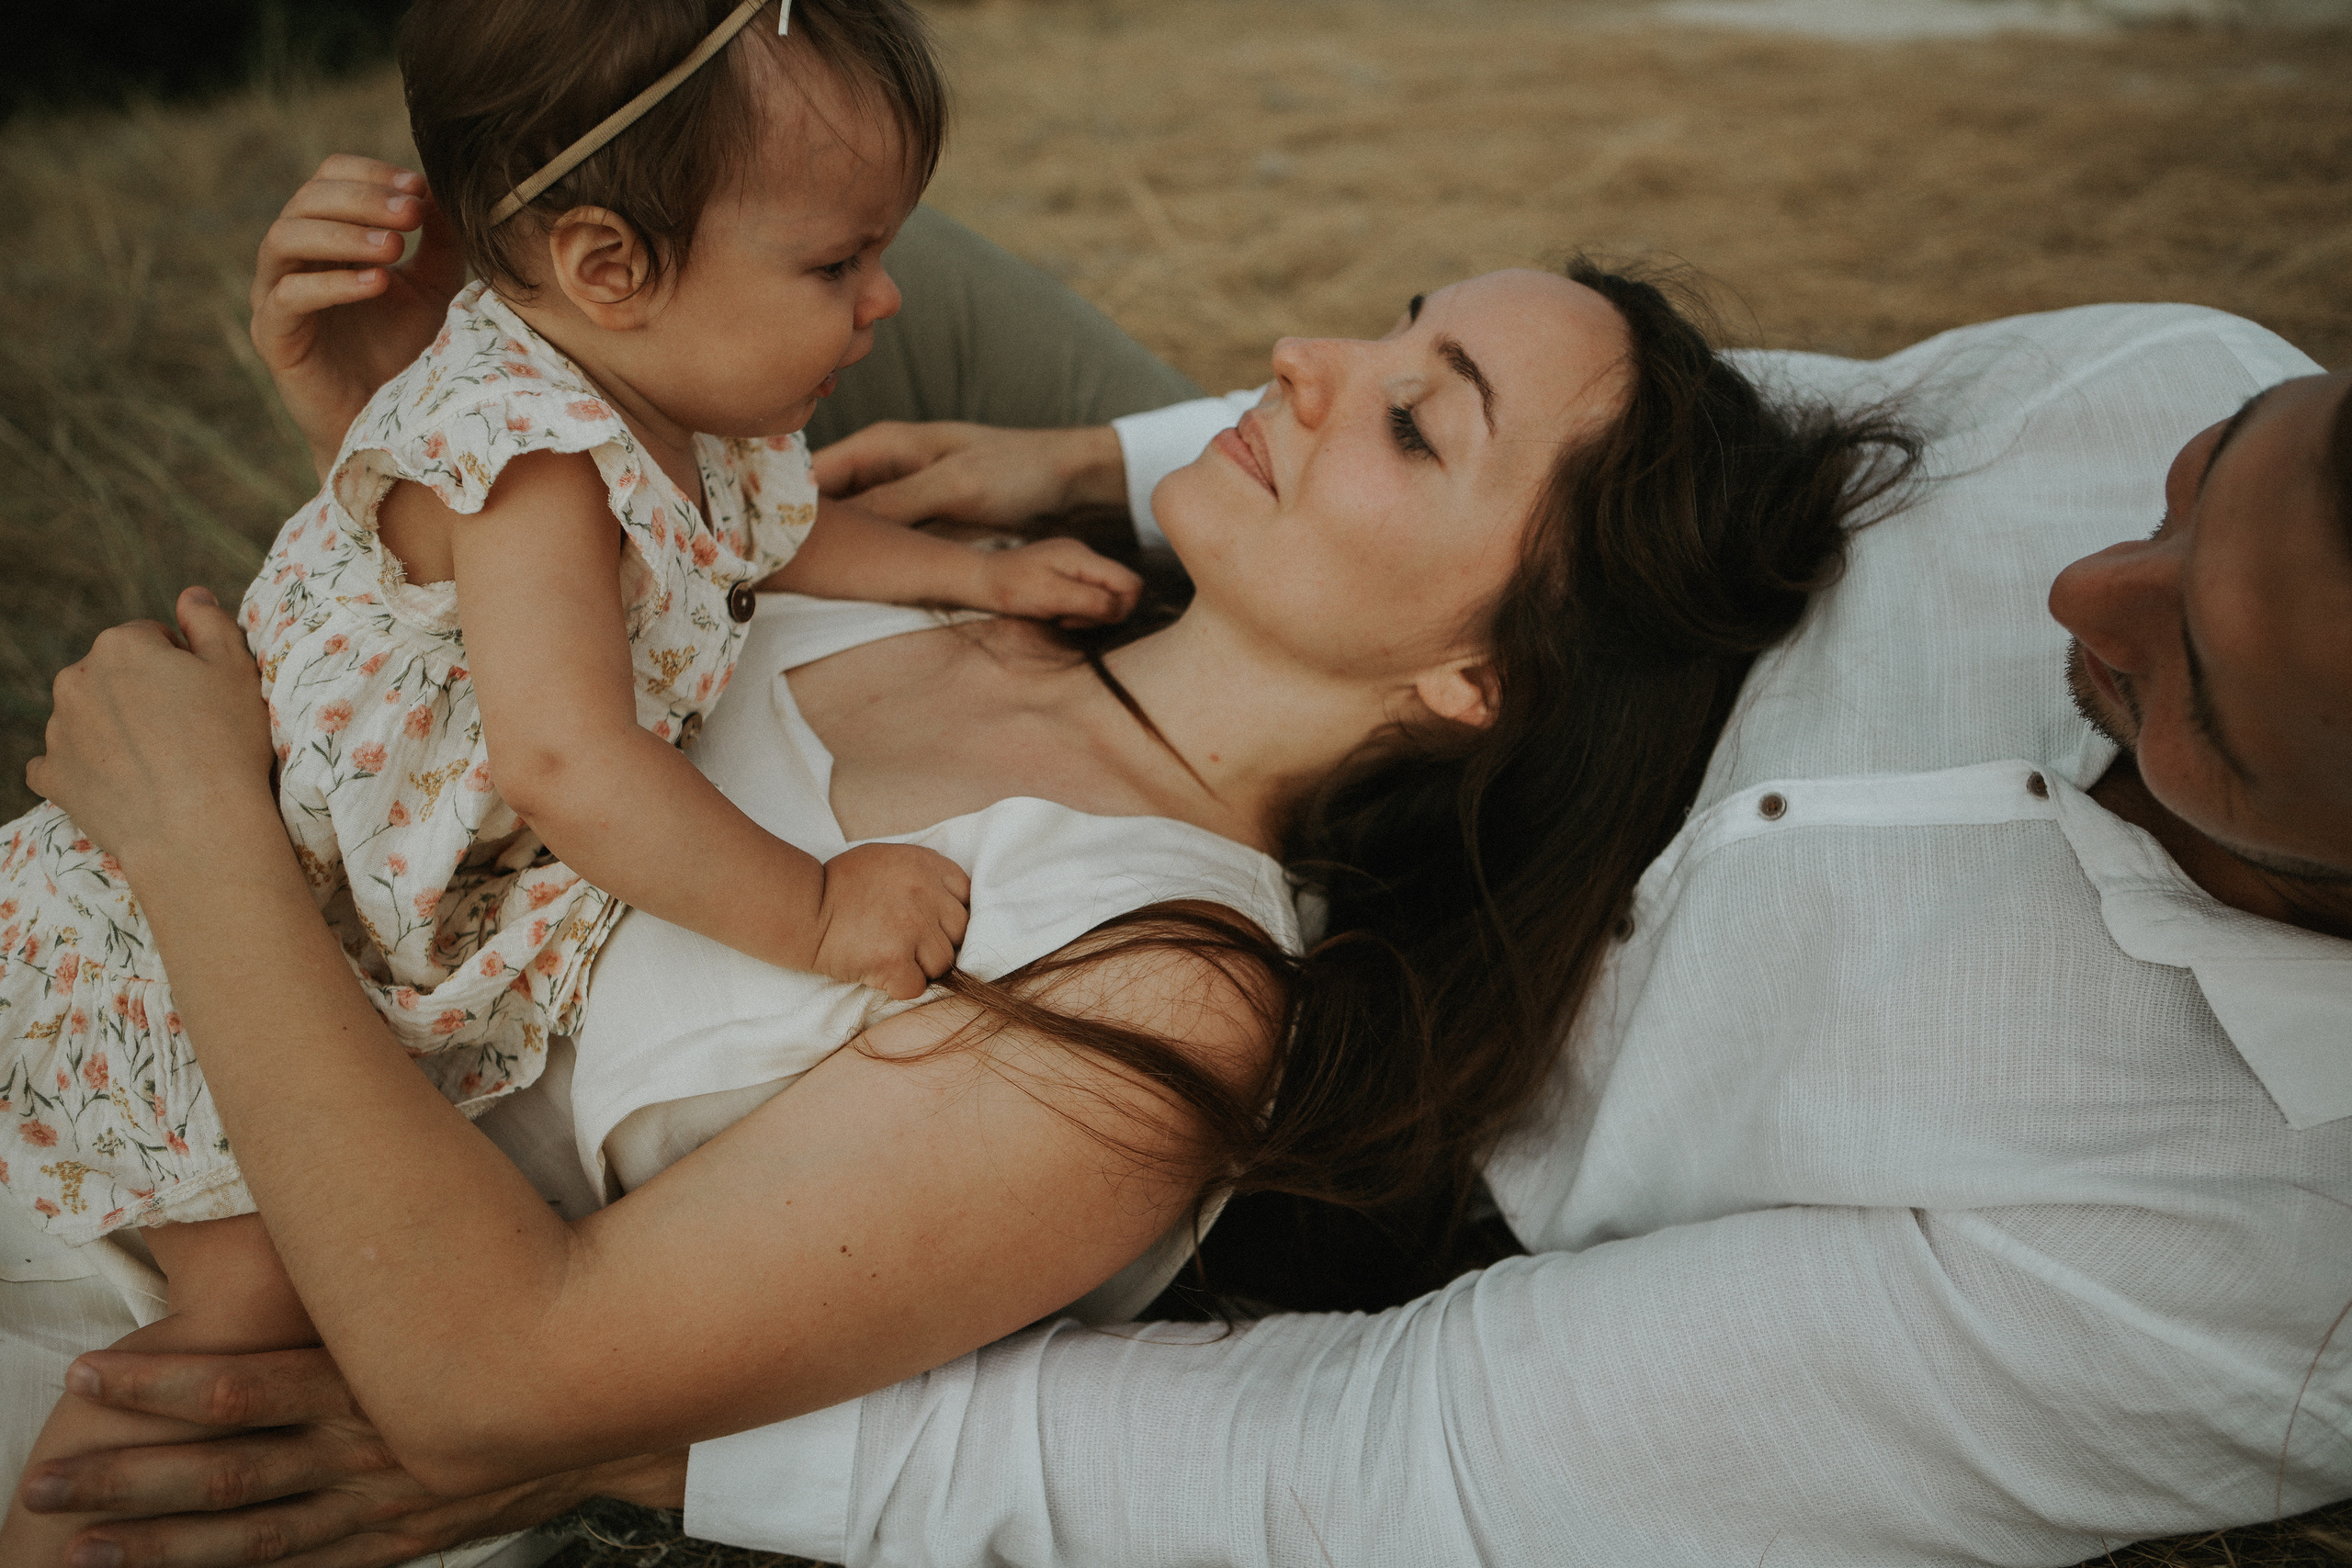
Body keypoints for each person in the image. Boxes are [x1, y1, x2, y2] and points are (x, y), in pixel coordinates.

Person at [3, 132, 1935, 1568]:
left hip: (136, 1307)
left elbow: (493, 1376)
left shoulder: (1150, 990)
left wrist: (194, 851)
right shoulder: (942, 584)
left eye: (1418, 420)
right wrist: (405, 422)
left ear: (1475, 679)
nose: (1302, 354)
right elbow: (458, 756)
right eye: (1395, 324)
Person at [0, 5, 1177, 1560]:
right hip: (185, 922)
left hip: (325, 892)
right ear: (609, 266)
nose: (888, 297)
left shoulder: (674, 397)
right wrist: (818, 912)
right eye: (839, 265)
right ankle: (60, 1530)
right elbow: (567, 764)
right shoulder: (533, 452)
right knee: (256, 1314)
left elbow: (769, 534)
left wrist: (989, 571)